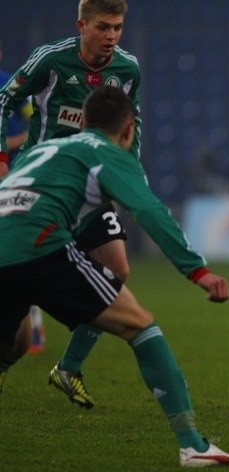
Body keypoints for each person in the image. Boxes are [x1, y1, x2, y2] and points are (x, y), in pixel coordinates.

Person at [0, 86, 229, 467]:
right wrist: (197, 271)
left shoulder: (39, 151)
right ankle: (193, 446)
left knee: (13, 343)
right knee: (140, 326)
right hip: (40, 246)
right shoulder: (106, 153)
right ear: (128, 129)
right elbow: (149, 211)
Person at [0, 0, 141, 404]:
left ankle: (68, 367)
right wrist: (2, 158)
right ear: (82, 25)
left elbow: (135, 119)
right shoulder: (50, 60)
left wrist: (128, 175)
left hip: (90, 185)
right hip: (41, 187)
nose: (111, 36)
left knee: (117, 269)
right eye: (103, 27)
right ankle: (4, 360)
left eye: (117, 27)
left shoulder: (127, 69)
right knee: (19, 289)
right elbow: (3, 100)